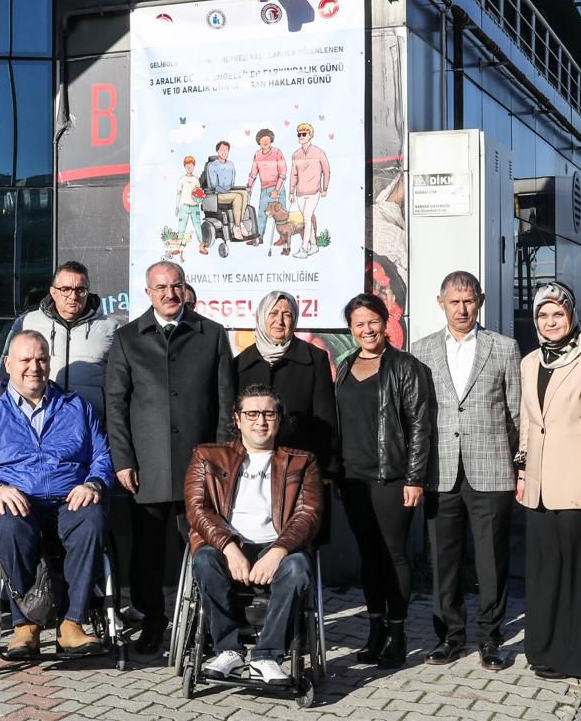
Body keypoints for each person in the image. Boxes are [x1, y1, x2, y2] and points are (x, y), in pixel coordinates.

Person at [0, 331, 112, 658]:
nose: (34, 367)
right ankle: (25, 626)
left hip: (68, 498)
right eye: (25, 360)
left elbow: (102, 456)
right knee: (11, 523)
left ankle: (73, 624)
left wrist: (93, 483)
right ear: (8, 364)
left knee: (93, 518)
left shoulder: (76, 407)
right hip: (13, 502)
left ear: (49, 363)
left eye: (41, 359)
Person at [104, 260, 235, 654]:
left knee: (204, 548)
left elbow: (226, 403)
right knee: (147, 553)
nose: (169, 294)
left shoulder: (211, 334)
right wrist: (123, 460)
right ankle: (152, 621)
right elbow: (116, 404)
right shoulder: (128, 338)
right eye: (160, 287)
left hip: (201, 467)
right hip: (148, 468)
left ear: (185, 287)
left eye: (176, 286)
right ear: (148, 293)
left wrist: (223, 459)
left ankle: (207, 624)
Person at [411, 270, 521, 671]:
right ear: (440, 302)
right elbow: (417, 415)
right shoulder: (421, 351)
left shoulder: (504, 348)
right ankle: (449, 638)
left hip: (491, 470)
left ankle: (491, 638)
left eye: (469, 300)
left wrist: (518, 466)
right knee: (444, 560)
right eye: (454, 301)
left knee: (492, 560)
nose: (462, 308)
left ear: (481, 301)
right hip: (440, 472)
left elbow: (515, 414)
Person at [185, 385, 322, 684]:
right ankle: (228, 651)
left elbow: (308, 514)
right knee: (204, 560)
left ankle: (267, 656)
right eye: (252, 413)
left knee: (299, 569)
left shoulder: (302, 461)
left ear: (279, 418)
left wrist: (279, 550)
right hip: (228, 545)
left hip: (276, 546)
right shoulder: (208, 455)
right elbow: (197, 509)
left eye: (268, 413)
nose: (260, 421)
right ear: (237, 419)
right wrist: (229, 547)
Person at [514, 282, 581, 681]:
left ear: (571, 316)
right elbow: (526, 422)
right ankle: (544, 650)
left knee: (578, 574)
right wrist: (522, 472)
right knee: (544, 574)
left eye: (558, 313)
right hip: (538, 485)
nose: (551, 321)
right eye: (543, 315)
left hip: (577, 483)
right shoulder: (529, 362)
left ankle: (578, 658)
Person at [335, 293, 433, 667]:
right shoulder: (344, 366)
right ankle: (374, 629)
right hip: (354, 478)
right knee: (368, 556)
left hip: (392, 478)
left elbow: (421, 426)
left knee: (393, 554)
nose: (367, 329)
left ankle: (398, 632)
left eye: (372, 321)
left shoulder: (405, 366)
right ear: (351, 329)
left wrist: (415, 477)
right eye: (359, 324)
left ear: (385, 321)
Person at [233, 290, 337, 478]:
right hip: (250, 468)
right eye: (273, 313)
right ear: (262, 316)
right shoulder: (240, 364)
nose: (279, 321)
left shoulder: (315, 359)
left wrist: (326, 470)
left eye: (287, 314)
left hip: (300, 465)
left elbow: (325, 419)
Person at [0, 261, 117, 418]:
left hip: (91, 425)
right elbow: (3, 377)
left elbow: (119, 385)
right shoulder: (26, 323)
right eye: (65, 289)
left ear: (87, 292)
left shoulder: (110, 327)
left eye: (80, 290)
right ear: (53, 292)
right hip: (35, 423)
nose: (73, 296)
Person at [288, 123, 331, 258]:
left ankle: (303, 249)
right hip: (300, 193)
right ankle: (314, 245)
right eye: (299, 134)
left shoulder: (319, 152)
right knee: (307, 219)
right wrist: (291, 191)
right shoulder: (296, 154)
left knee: (306, 219)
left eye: (304, 134)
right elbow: (293, 174)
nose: (301, 137)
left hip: (314, 192)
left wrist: (324, 188)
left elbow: (327, 171)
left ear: (310, 135)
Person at [245, 128, 286, 247]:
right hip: (264, 189)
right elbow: (253, 173)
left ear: (271, 140)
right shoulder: (257, 154)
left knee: (280, 215)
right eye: (262, 139)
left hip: (277, 189)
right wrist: (249, 187)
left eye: (267, 139)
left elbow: (283, 171)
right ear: (259, 141)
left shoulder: (277, 152)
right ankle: (259, 237)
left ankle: (283, 237)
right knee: (261, 214)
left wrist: (277, 190)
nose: (265, 141)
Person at [202, 140, 249, 240]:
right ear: (217, 151)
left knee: (244, 193)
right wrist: (228, 190)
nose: (224, 152)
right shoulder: (212, 166)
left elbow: (232, 183)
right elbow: (214, 186)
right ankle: (236, 227)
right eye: (222, 150)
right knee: (237, 196)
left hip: (228, 191)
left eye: (227, 150)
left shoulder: (231, 164)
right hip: (216, 194)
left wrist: (230, 189)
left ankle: (240, 222)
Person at [175, 156, 204, 252]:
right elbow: (178, 194)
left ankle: (202, 246)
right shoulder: (182, 179)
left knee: (198, 227)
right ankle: (178, 247)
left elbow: (199, 194)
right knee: (181, 227)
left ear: (193, 166)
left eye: (191, 165)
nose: (189, 167)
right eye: (187, 165)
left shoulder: (196, 180)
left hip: (194, 207)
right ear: (184, 166)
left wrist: (199, 199)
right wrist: (176, 206)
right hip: (184, 206)